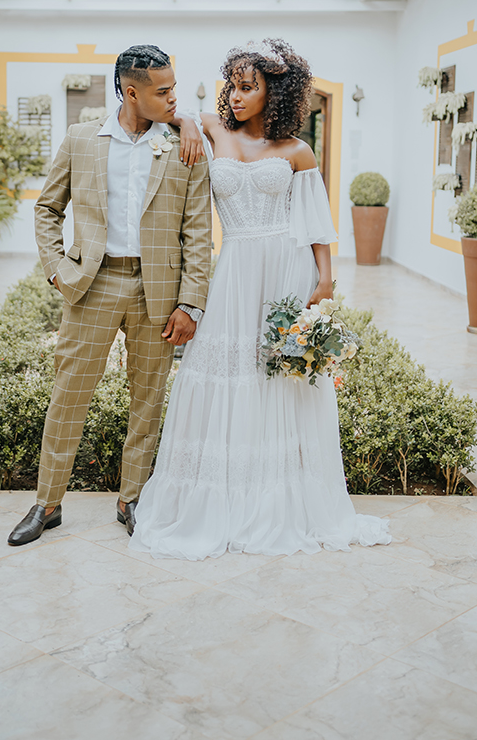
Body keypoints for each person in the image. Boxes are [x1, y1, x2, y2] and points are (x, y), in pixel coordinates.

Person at [129, 39, 391, 560]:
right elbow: (176, 112)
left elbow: (317, 225)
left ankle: (279, 499)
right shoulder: (214, 128)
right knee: (224, 372)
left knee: (279, 382)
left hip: (285, 272)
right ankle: (218, 497)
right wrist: (185, 125)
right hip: (234, 272)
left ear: (277, 92)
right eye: (234, 86)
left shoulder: (297, 150)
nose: (237, 96)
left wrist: (324, 282)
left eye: (249, 88)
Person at [8, 44, 212, 546]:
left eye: (174, 89)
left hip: (158, 292)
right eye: (163, 91)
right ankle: (47, 503)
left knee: (148, 401)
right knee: (68, 398)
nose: (173, 98)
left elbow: (198, 233)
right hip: (91, 285)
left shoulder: (185, 146)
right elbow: (47, 208)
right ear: (130, 91)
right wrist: (57, 269)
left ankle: (133, 499)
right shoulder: (82, 139)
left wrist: (191, 303)